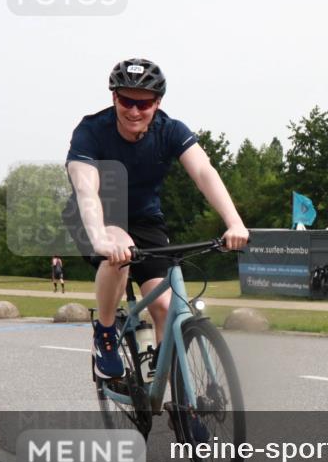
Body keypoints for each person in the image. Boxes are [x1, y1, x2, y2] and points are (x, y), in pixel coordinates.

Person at [63, 58, 249, 380]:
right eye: (127, 101)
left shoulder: (171, 131)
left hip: (145, 218)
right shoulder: (91, 130)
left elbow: (204, 172)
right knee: (119, 252)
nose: (134, 111)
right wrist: (100, 238)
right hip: (96, 215)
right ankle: (105, 333)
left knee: (165, 307)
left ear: (158, 103)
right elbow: (85, 187)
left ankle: (179, 401)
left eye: (144, 103)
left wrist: (234, 222)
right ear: (114, 98)